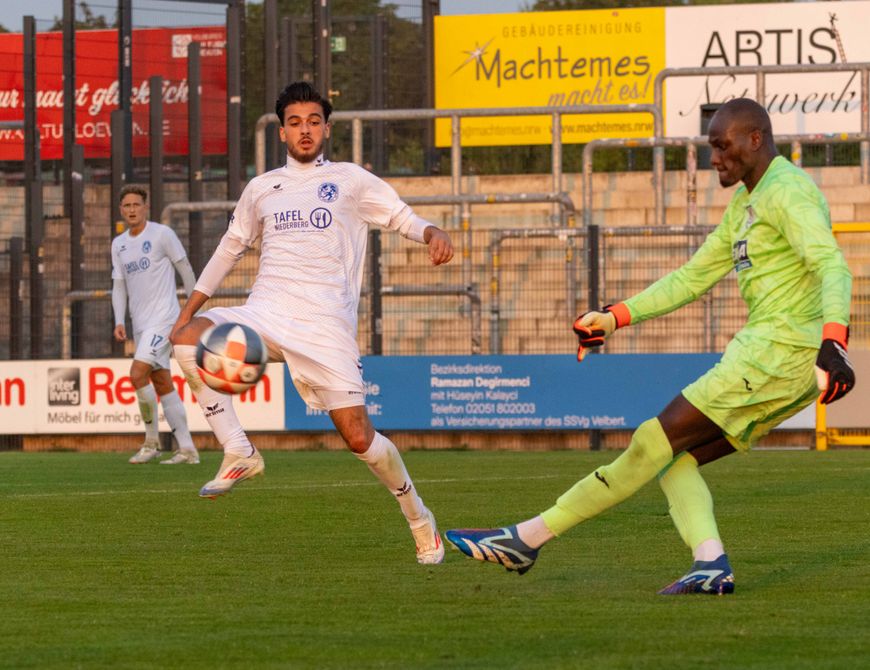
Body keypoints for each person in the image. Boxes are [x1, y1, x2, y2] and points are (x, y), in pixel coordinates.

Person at [445, 98, 855, 594]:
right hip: (779, 363)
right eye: (710, 148)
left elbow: (831, 264)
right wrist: (615, 317)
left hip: (776, 354)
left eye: (722, 146)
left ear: (756, 138)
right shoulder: (747, 204)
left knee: (649, 442)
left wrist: (834, 343)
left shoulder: (787, 192)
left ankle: (527, 538)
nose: (715, 159)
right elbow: (691, 278)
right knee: (673, 460)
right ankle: (710, 564)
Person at [169, 81, 454, 565]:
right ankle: (239, 449)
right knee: (185, 341)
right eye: (296, 123)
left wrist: (431, 231)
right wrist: (187, 311)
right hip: (266, 311)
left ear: (326, 128)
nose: (305, 130)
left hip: (325, 326)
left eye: (314, 121)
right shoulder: (261, 188)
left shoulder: (350, 179)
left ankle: (418, 516)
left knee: (359, 438)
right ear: (282, 132)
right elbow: (229, 249)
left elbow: (401, 216)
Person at [111, 185, 200, 465]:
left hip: (164, 320)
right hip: (140, 324)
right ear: (121, 210)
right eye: (127, 206)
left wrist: (191, 311)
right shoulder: (119, 244)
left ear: (145, 207)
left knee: (137, 375)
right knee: (162, 383)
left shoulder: (162, 234)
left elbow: (185, 269)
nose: (132, 210)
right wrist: (118, 319)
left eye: (137, 204)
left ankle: (151, 443)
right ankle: (188, 450)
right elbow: (119, 286)